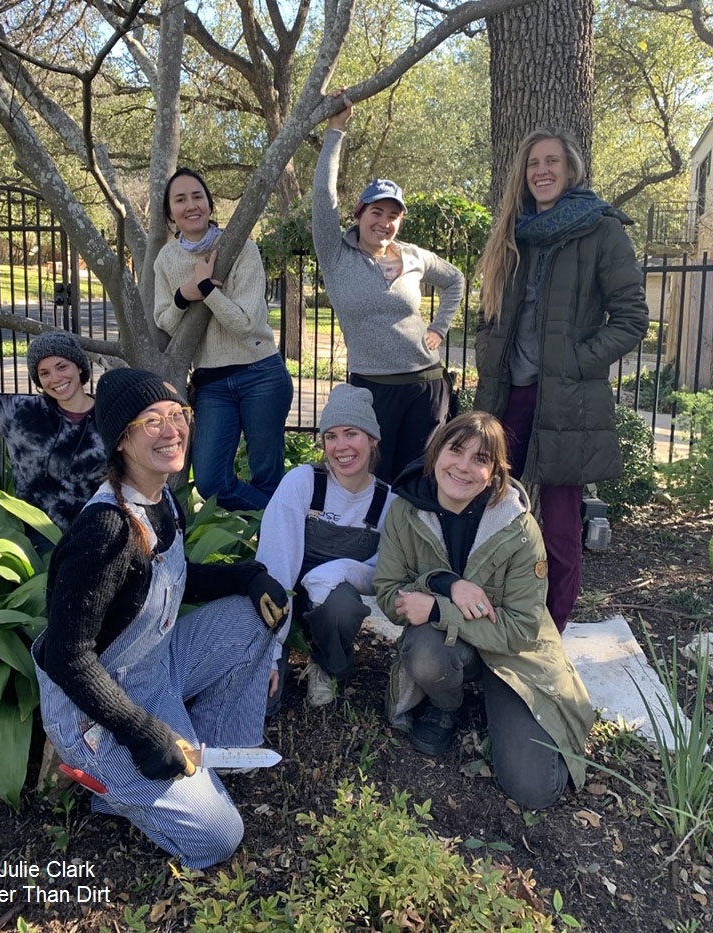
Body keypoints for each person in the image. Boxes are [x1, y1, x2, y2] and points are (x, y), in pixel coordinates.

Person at [32, 368, 288, 868]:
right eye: (151, 421)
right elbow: (67, 657)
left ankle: (196, 756)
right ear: (121, 439)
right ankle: (115, 786)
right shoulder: (105, 531)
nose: (171, 430)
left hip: (158, 667)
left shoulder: (162, 498)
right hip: (95, 712)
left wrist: (247, 576)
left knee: (254, 617)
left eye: (177, 415)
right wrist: (145, 735)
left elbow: (163, 587)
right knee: (218, 837)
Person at [474, 127, 649, 632]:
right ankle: (484, 616)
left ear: (571, 169)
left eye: (552, 161)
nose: (542, 171)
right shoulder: (513, 231)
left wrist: (575, 363)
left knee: (560, 522)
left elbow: (632, 319)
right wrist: (489, 354)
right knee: (487, 505)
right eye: (533, 164)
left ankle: (551, 631)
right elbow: (489, 315)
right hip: (506, 393)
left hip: (565, 398)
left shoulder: (601, 230)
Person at [374, 412, 594, 810]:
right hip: (450, 648)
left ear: (494, 473)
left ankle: (505, 703)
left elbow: (521, 631)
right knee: (425, 650)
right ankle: (447, 707)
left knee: (534, 790)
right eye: (455, 450)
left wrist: (440, 609)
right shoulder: (405, 512)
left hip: (514, 656)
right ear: (435, 451)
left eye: (480, 459)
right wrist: (444, 583)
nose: (463, 466)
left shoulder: (517, 527)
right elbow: (389, 595)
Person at [312, 94, 465, 484]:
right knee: (372, 481)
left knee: (418, 480)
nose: (385, 222)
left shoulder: (414, 256)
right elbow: (323, 199)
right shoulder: (336, 255)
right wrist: (336, 131)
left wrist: (439, 328)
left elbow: (455, 281)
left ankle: (411, 546)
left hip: (425, 387)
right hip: (371, 391)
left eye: (393, 215)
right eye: (376, 212)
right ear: (360, 214)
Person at [153, 167, 293, 512]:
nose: (191, 205)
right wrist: (185, 295)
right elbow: (165, 321)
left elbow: (245, 324)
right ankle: (288, 516)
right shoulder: (167, 259)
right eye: (180, 199)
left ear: (210, 204)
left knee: (267, 475)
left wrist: (206, 290)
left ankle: (271, 548)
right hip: (211, 383)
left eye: (197, 196)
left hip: (260, 373)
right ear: (170, 213)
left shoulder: (242, 248)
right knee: (211, 481)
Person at [256, 383, 396, 711]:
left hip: (332, 606)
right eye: (331, 436)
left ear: (372, 439)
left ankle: (326, 662)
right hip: (283, 597)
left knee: (343, 605)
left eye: (351, 433)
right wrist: (270, 651)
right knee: (265, 702)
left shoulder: (388, 502)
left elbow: (382, 574)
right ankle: (280, 654)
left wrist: (335, 572)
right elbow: (275, 566)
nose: (340, 447)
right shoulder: (303, 482)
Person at [0, 310, 107, 537]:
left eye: (62, 366)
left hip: (100, 536)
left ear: (79, 367)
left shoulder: (110, 414)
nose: (56, 378)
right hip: (37, 542)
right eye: (44, 373)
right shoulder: (21, 412)